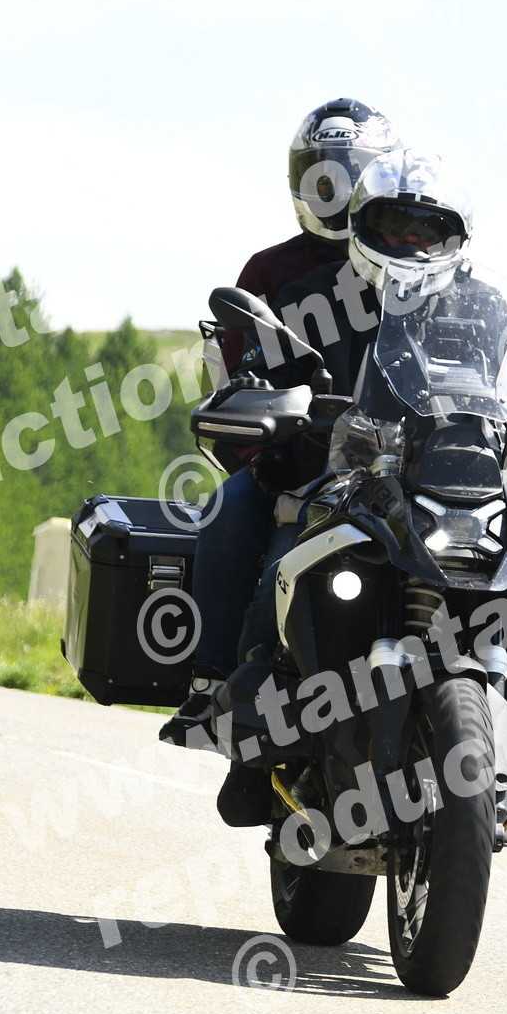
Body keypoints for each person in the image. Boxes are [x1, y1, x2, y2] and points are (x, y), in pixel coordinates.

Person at [168, 148, 476, 827]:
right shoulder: (311, 297)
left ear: (453, 236)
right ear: (364, 225)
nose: (410, 242)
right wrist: (267, 396)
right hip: (331, 482)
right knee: (280, 569)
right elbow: (261, 368)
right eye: (394, 225)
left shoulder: (474, 309)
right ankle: (247, 734)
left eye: (427, 229)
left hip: (439, 491)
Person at [158, 102, 400, 800]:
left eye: (352, 176)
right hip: (297, 462)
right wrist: (259, 404)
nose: (337, 191)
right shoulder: (272, 269)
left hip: (400, 464)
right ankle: (217, 690)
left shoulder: (413, 267)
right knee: (231, 514)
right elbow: (236, 362)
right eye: (324, 177)